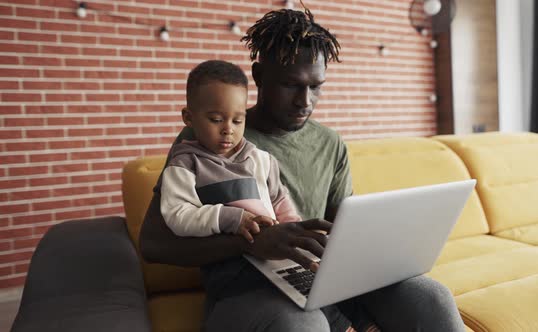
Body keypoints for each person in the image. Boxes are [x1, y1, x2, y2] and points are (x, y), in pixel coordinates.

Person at [140, 4, 464, 332]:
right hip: (248, 290)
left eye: (316, 86)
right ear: (259, 76)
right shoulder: (207, 138)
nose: (305, 101)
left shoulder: (330, 144)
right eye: (292, 85)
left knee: (431, 297)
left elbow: (342, 228)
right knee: (303, 324)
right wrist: (249, 241)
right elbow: (153, 243)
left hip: (318, 279)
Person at [160, 60, 301, 244]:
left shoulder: (261, 159)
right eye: (216, 119)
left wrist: (296, 232)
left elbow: (280, 202)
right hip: (227, 264)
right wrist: (232, 219)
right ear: (188, 117)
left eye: (237, 121)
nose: (228, 129)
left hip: (275, 255)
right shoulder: (185, 164)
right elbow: (177, 215)